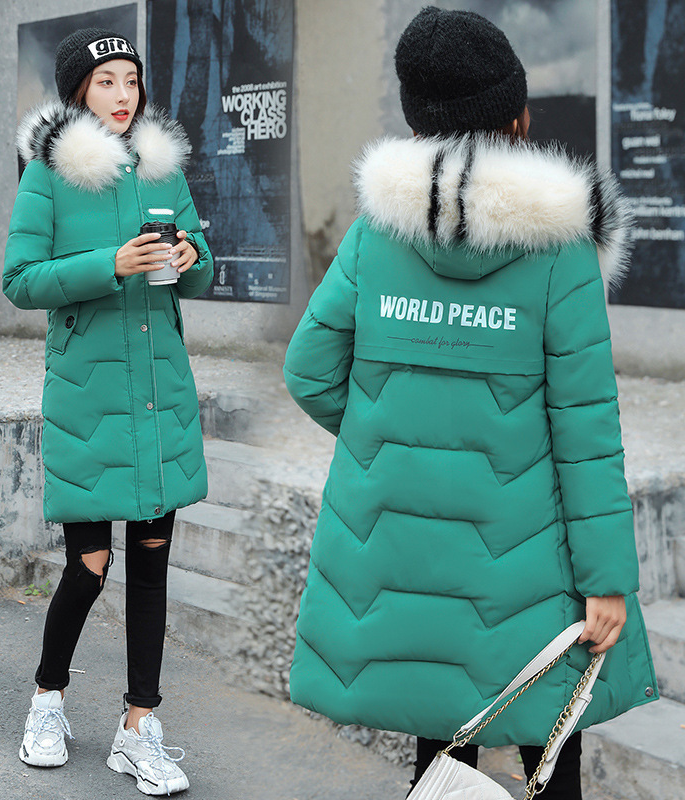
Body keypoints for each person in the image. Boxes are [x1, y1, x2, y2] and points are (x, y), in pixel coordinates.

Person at [282, 7, 657, 799]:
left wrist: (393, 441)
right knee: (548, 743)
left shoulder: (375, 235)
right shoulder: (559, 251)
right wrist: (607, 580)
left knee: (440, 733)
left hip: (407, 548)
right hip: (531, 557)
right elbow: (585, 432)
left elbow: (310, 370)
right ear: (518, 118)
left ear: (418, 123)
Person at [3, 27, 213, 796]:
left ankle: (138, 728)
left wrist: (191, 257)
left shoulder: (163, 167)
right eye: (106, 82)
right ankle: (47, 701)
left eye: (131, 80)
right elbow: (20, 279)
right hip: (89, 397)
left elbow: (201, 267)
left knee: (152, 564)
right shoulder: (49, 174)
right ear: (78, 92)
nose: (123, 95)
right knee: (89, 566)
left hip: (159, 393)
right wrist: (110, 264)